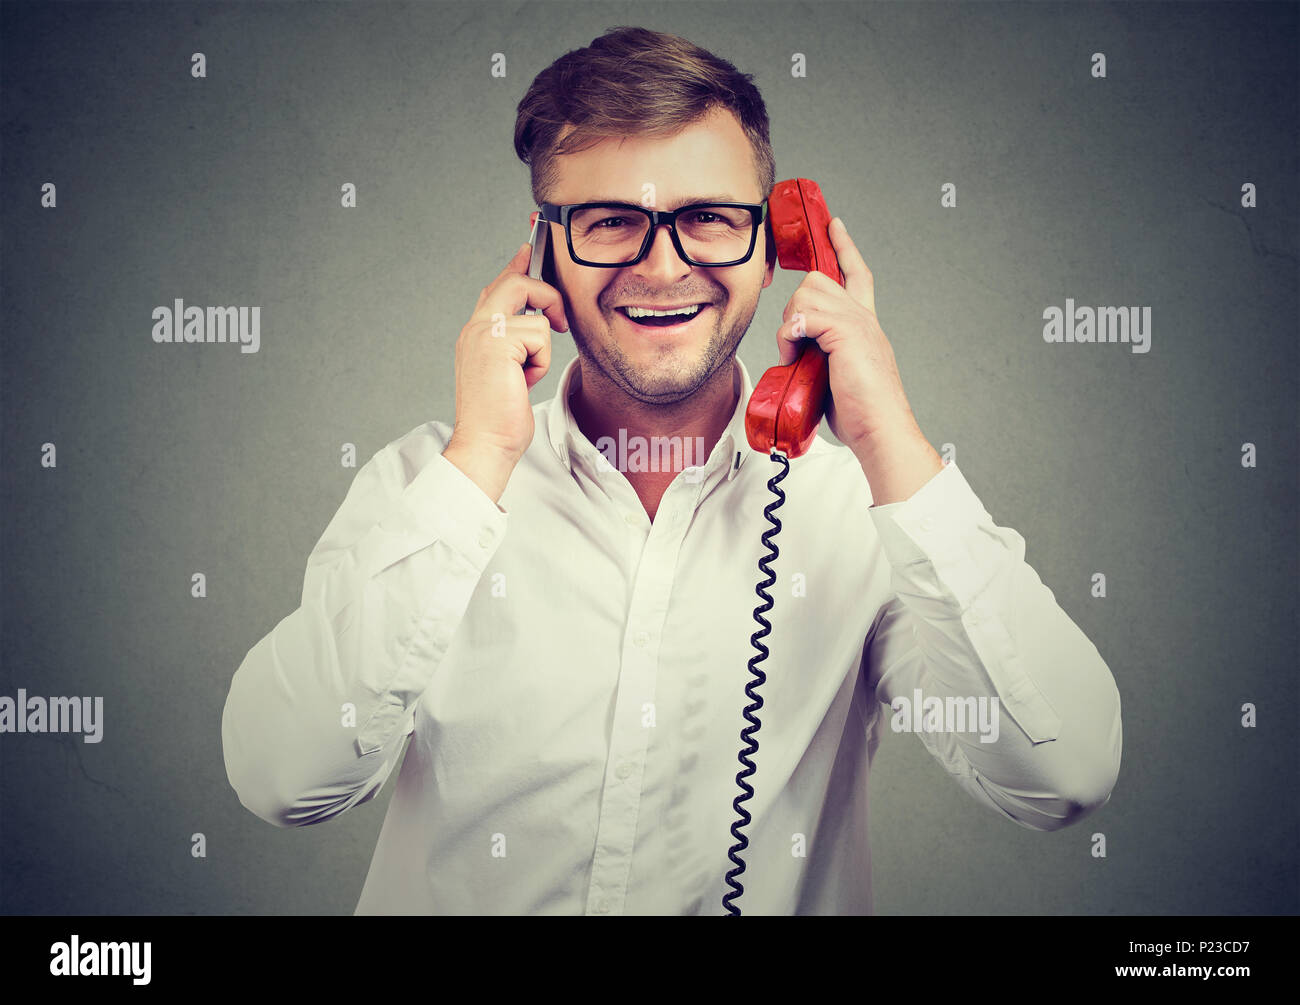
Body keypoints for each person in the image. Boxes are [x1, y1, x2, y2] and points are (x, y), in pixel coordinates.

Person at [221, 26, 1122, 916]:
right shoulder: (428, 486)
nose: (662, 266)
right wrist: (480, 460)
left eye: (708, 219)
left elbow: (1064, 775)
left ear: (775, 246)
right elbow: (282, 777)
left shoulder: (865, 517)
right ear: (543, 252)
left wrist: (890, 433)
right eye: (611, 221)